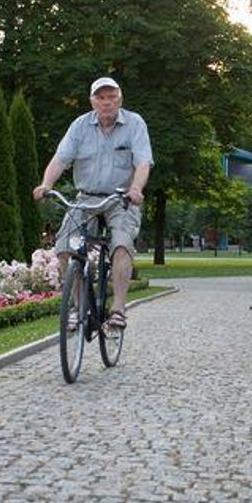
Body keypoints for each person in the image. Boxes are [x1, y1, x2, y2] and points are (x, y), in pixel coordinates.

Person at [33, 77, 153, 330]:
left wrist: (135, 189)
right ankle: (79, 307)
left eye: (111, 97)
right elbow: (61, 158)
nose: (106, 102)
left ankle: (118, 309)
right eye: (101, 97)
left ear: (120, 99)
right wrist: (46, 185)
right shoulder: (79, 126)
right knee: (65, 247)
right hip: (85, 199)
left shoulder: (134, 123)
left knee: (121, 245)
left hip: (120, 198)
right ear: (92, 101)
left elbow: (143, 161)